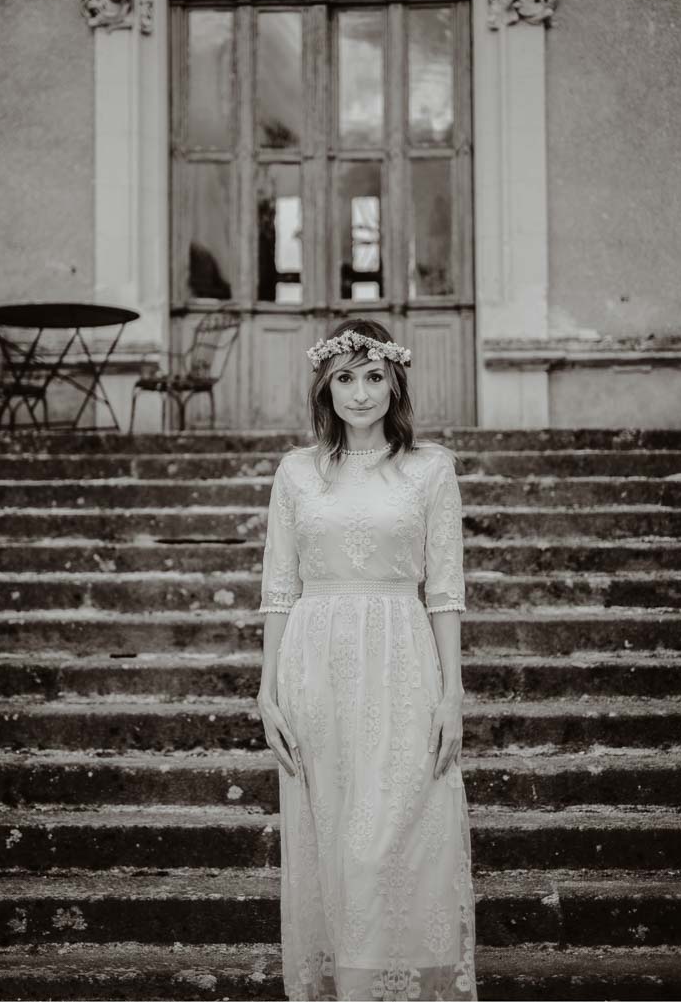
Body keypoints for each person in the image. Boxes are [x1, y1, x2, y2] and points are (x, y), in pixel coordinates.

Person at [254, 318, 477, 1000]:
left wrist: (452, 693)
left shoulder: (429, 469)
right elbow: (279, 586)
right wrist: (266, 692)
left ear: (395, 382)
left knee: (396, 834)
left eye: (374, 376)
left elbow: (444, 589)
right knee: (337, 844)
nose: (360, 393)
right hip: (315, 665)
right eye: (345, 378)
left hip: (403, 660)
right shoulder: (297, 471)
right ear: (326, 387)